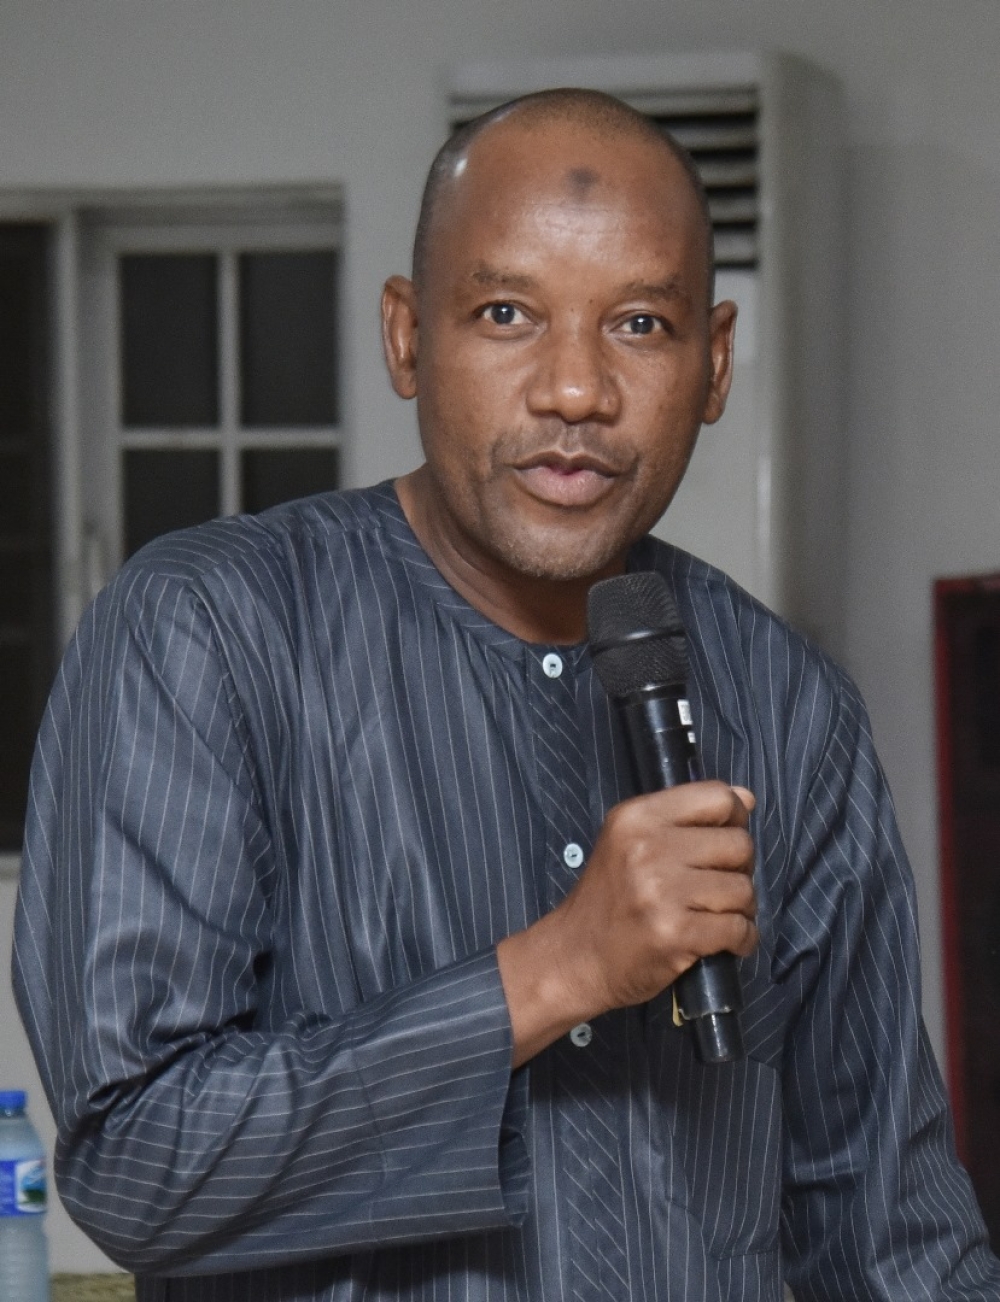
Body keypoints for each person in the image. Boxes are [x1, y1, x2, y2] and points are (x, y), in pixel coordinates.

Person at [13, 89, 999, 1302]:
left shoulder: (790, 706)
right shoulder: (210, 635)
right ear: (406, 336)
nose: (575, 390)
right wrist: (554, 973)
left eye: (639, 323)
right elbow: (140, 1169)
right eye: (505, 313)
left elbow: (888, 1234)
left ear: (715, 362)